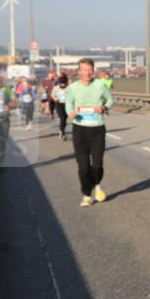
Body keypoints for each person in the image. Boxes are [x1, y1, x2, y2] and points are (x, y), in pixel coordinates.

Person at [66, 58, 114, 207]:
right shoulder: (73, 88)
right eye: (84, 70)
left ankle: (97, 184)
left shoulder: (100, 85)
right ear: (79, 72)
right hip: (79, 130)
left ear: (93, 71)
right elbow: (69, 105)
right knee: (83, 166)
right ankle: (87, 195)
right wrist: (71, 113)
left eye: (90, 70)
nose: (87, 73)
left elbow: (110, 100)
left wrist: (104, 108)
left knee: (97, 164)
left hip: (97, 129)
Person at [51, 75, 70, 140]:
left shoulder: (69, 88)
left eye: (64, 83)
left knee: (64, 120)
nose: (62, 85)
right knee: (62, 118)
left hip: (67, 104)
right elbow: (52, 95)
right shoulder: (56, 88)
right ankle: (62, 132)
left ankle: (62, 130)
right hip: (59, 104)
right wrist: (55, 98)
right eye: (61, 83)